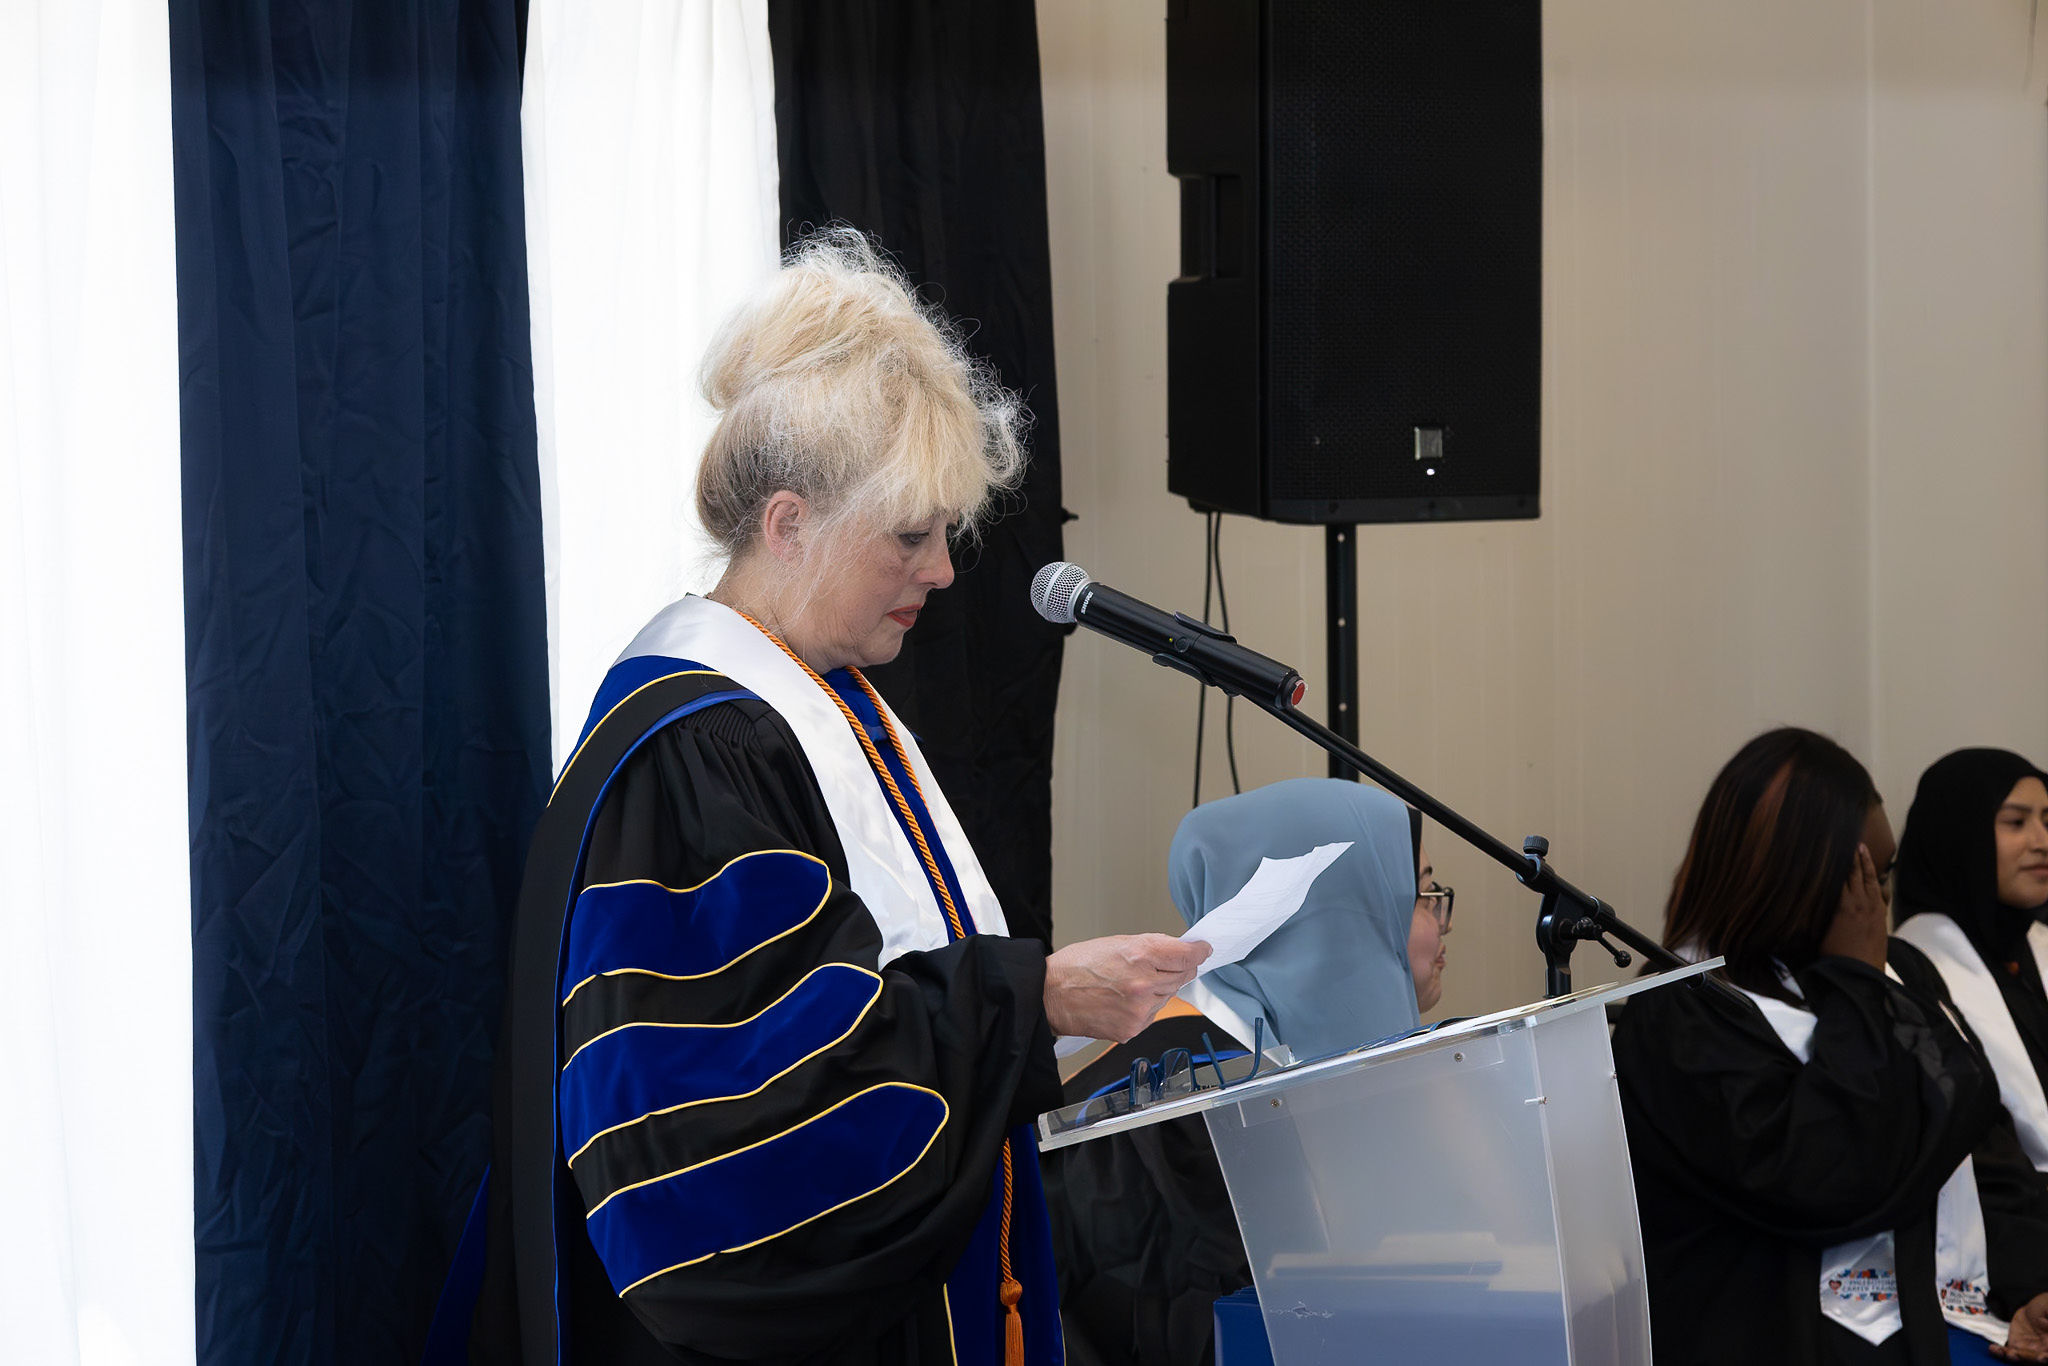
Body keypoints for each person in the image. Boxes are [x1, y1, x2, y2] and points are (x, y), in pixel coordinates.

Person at [444, 232, 1211, 1366]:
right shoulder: (698, 749)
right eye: (909, 534)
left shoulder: (825, 704)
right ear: (788, 523)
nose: (942, 569)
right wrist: (1032, 999)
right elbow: (757, 1118)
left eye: (943, 531)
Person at [1611, 728, 2048, 1366]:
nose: (1879, 903)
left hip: (1945, 1315)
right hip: (1786, 1339)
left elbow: (1977, 1143)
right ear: (1790, 876)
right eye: (1861, 879)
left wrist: (2032, 1280)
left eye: (1885, 875)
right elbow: (1824, 1176)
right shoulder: (1682, 1009)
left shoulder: (1898, 970)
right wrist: (1859, 984)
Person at [1047, 778, 1431, 1366]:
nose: (1442, 923)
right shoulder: (1181, 1101)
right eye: (1420, 894)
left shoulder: (1272, 1070)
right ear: (1337, 908)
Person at [1892, 749, 2048, 1171]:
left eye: (2047, 821)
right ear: (1960, 836)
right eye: (2016, 822)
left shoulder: (2037, 945)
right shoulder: (1911, 971)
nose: (2042, 842)